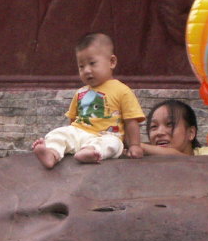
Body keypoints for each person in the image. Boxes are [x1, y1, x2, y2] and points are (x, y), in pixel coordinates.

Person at [32, 33, 145, 168]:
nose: (86, 70)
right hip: (80, 133)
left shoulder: (122, 90)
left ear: (111, 62)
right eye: (81, 66)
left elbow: (131, 121)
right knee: (58, 133)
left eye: (92, 63)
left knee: (114, 144)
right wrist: (69, 134)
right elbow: (72, 121)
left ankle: (91, 152)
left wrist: (134, 145)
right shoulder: (80, 92)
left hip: (105, 135)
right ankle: (51, 153)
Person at [141, 99, 208, 157]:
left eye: (170, 124)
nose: (159, 132)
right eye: (154, 126)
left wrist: (141, 147)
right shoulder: (147, 163)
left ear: (191, 133)